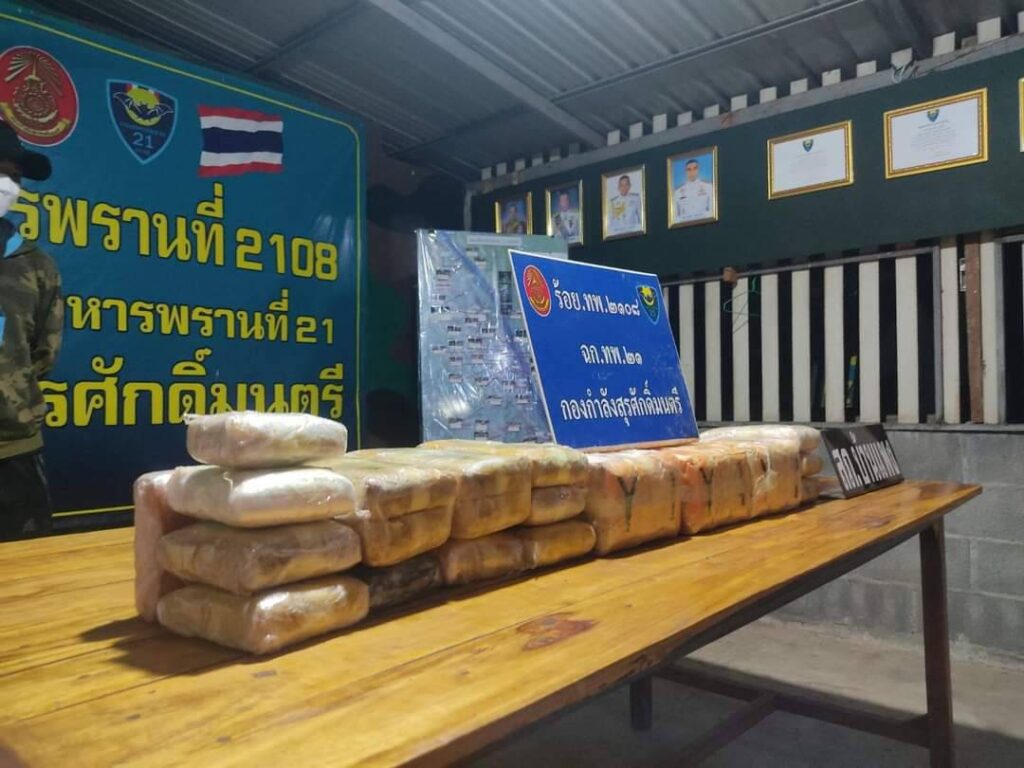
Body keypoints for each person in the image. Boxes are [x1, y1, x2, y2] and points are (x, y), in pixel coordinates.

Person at [0, 121, 62, 541]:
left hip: (14, 453)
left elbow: (43, 354)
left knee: (27, 568)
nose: (7, 185)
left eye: (15, 177)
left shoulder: (37, 266)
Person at [673, 158, 714, 223]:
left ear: (698, 169)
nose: (692, 172)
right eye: (689, 169)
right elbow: (675, 217)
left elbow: (712, 211)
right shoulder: (677, 192)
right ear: (685, 171)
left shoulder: (709, 187)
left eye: (695, 168)